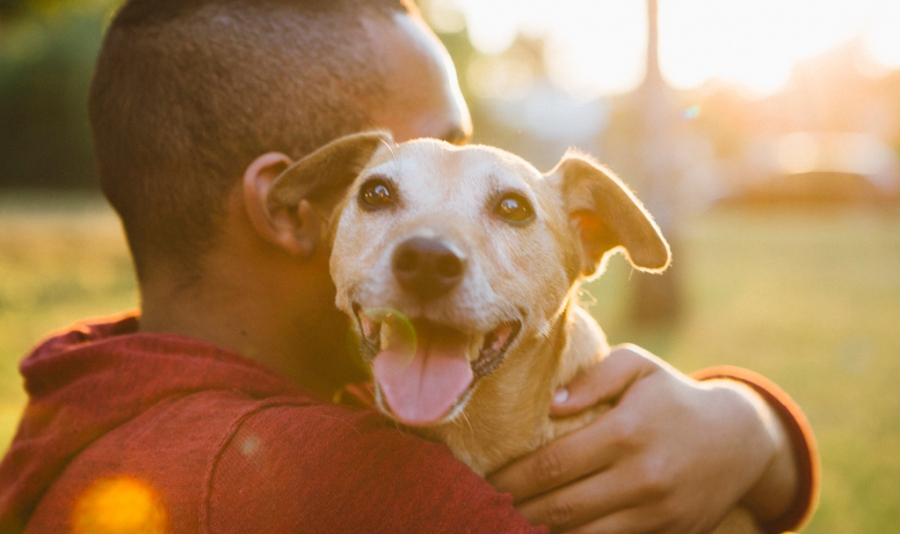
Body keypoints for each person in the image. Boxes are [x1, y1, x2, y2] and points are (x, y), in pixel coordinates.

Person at [0, 0, 818, 532]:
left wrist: (749, 423)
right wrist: (758, 439)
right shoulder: (378, 488)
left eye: (500, 203)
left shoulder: (89, 398)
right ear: (297, 207)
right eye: (391, 189)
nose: (437, 243)